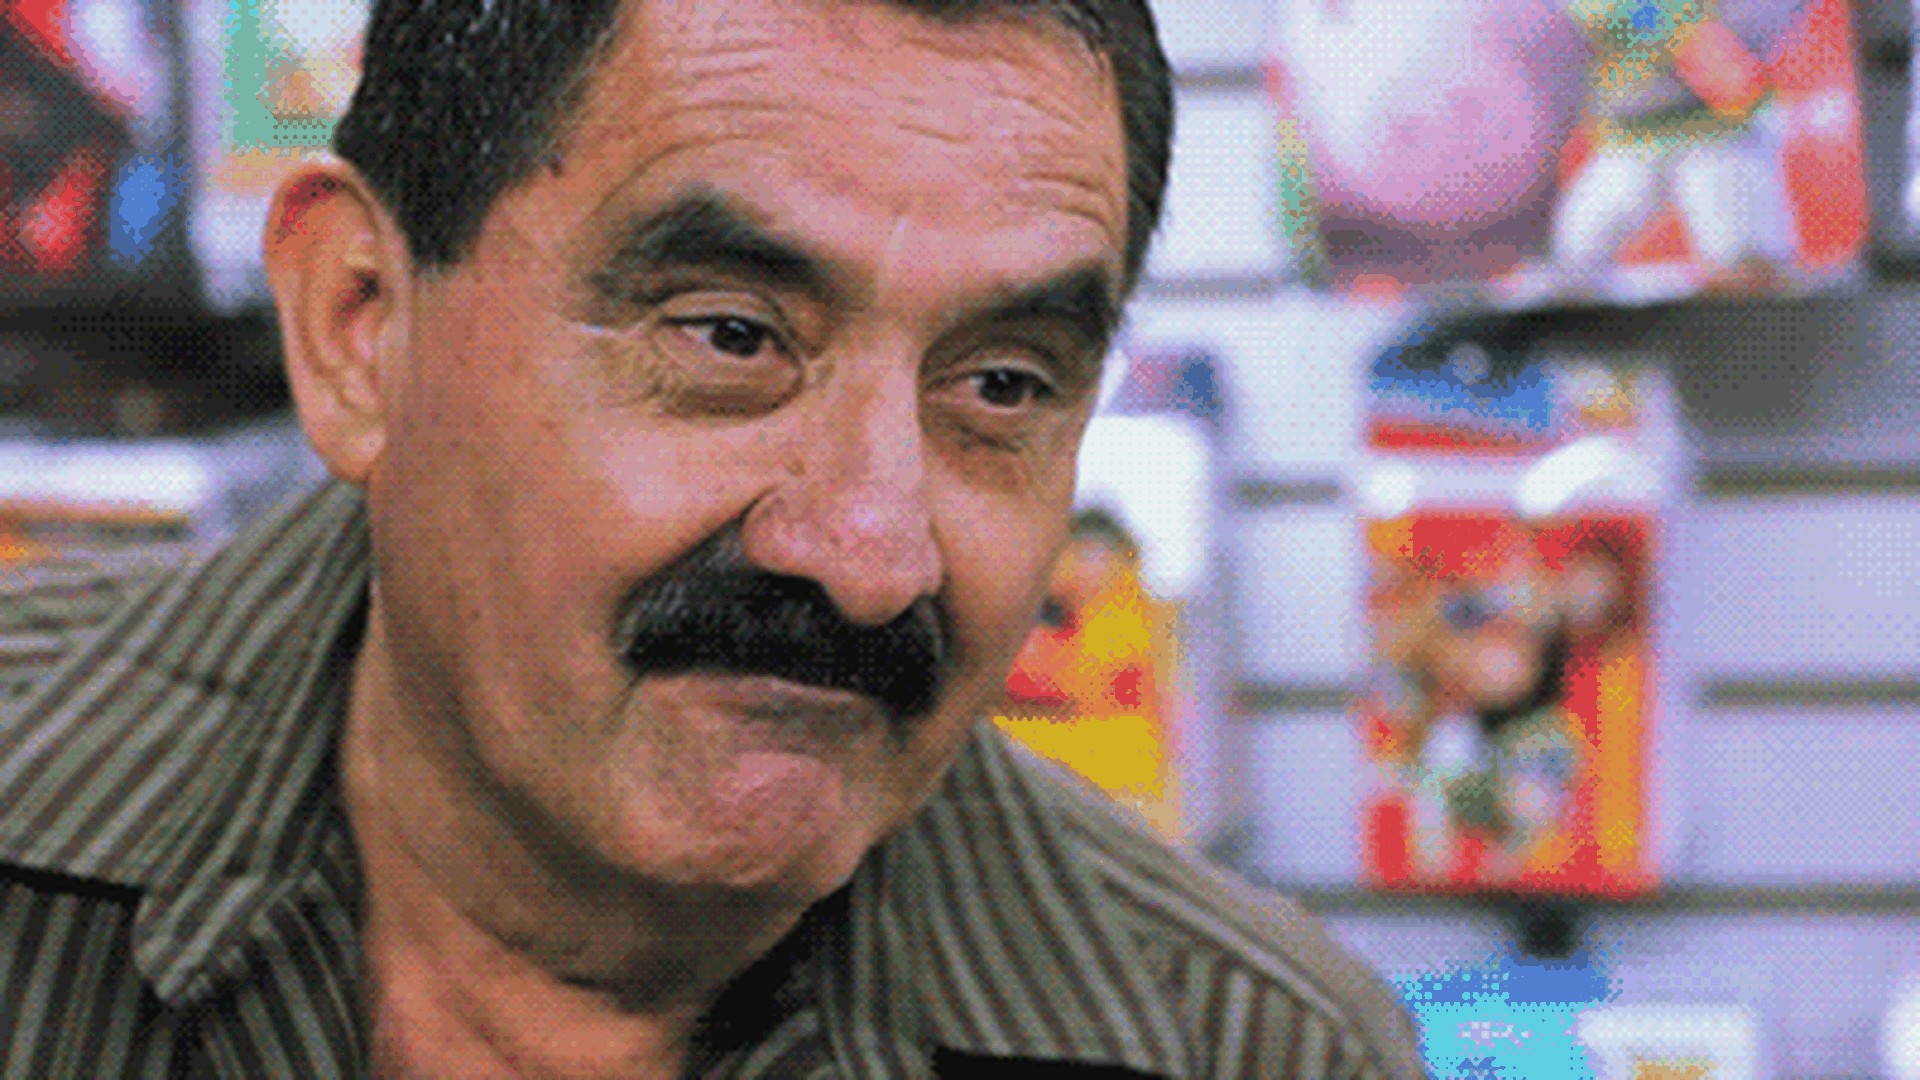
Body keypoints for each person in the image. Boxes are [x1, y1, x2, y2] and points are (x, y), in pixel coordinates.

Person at [0, 0, 1429, 1075]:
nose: (870, 556)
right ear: (360, 323)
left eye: (1002, 386)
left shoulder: (1250, 1049)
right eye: (730, 336)